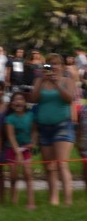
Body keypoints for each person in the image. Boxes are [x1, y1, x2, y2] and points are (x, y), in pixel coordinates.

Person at [30, 53, 76, 206]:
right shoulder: (40, 80)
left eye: (56, 64)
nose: (53, 67)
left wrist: (57, 84)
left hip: (62, 126)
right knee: (49, 166)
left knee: (61, 163)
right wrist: (42, 81)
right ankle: (53, 199)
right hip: (44, 128)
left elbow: (69, 98)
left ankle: (68, 200)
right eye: (49, 64)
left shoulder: (67, 81)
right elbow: (33, 99)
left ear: (62, 66)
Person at [5, 91, 36, 208]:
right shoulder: (9, 118)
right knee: (13, 176)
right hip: (12, 148)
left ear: (25, 102)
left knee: (28, 174)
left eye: (21, 99)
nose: (18, 102)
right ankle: (13, 200)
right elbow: (11, 136)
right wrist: (17, 152)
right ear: (12, 103)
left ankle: (31, 203)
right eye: (15, 100)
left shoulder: (30, 116)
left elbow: (34, 130)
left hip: (26, 148)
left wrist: (33, 141)